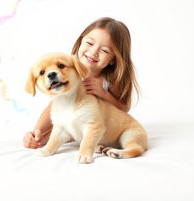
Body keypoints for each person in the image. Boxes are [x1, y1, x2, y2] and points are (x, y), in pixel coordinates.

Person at [23, 17, 139, 149]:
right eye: (90, 43)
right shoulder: (68, 72)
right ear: (81, 41)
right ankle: (35, 138)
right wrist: (36, 130)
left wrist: (103, 93)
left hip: (103, 129)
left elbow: (124, 109)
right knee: (42, 139)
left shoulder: (111, 79)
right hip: (74, 127)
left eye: (105, 50)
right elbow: (54, 106)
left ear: (113, 59)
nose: (93, 52)